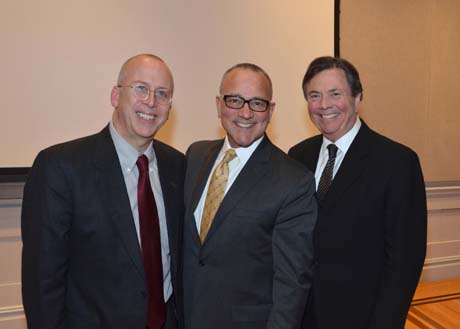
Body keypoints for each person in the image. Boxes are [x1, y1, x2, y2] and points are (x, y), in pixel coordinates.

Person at [21, 54, 184, 329]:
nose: (151, 102)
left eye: (162, 94)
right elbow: (42, 283)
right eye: (141, 88)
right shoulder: (61, 167)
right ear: (115, 95)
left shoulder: (179, 166)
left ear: (169, 106)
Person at [288, 56, 427, 329]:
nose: (324, 105)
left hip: (361, 318)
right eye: (314, 96)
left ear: (357, 97)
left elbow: (405, 259)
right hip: (301, 316)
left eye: (335, 94)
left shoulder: (397, 162)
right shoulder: (297, 156)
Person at [182, 63, 318, 329]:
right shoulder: (195, 156)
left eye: (257, 103)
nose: (245, 112)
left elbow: (292, 280)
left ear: (271, 110)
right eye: (235, 100)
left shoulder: (293, 180)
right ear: (219, 105)